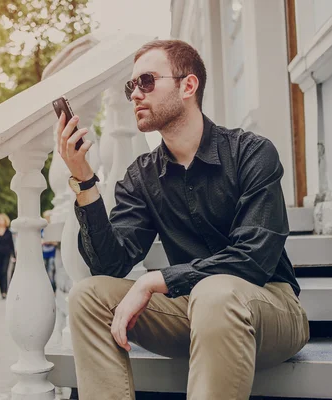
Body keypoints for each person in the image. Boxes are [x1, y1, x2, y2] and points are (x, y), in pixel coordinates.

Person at [56, 40, 310, 400]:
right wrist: (84, 180)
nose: (134, 95)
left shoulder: (251, 153)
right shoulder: (142, 176)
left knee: (214, 292)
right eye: (131, 86)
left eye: (146, 81)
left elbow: (253, 259)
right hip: (189, 311)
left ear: (187, 86)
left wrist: (155, 281)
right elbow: (109, 263)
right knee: (86, 296)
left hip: (269, 309)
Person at [41, 210, 56, 291]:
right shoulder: (42, 229)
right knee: (44, 272)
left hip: (51, 253)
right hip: (43, 253)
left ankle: (52, 288)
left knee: (51, 271)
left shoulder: (52, 228)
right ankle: (45, 288)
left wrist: (48, 241)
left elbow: (55, 242)